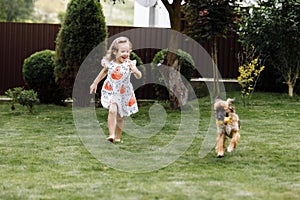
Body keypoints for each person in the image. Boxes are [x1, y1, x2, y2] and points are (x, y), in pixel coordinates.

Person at [90, 36, 142, 143]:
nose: (125, 54)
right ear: (115, 52)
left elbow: (139, 76)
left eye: (127, 51)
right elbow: (104, 72)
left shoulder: (130, 64)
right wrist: (95, 83)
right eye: (122, 51)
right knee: (112, 110)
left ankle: (118, 137)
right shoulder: (110, 63)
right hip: (112, 91)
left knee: (120, 115)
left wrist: (135, 71)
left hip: (124, 92)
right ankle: (111, 134)